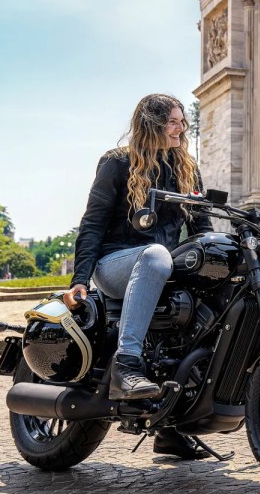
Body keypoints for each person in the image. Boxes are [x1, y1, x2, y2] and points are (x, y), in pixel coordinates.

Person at [62, 94, 212, 456]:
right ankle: (126, 364)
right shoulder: (117, 164)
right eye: (173, 122)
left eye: (182, 122)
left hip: (161, 267)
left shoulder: (186, 168)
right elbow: (93, 223)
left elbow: (202, 226)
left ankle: (173, 426)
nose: (181, 128)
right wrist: (79, 279)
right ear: (152, 123)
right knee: (157, 254)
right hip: (115, 265)